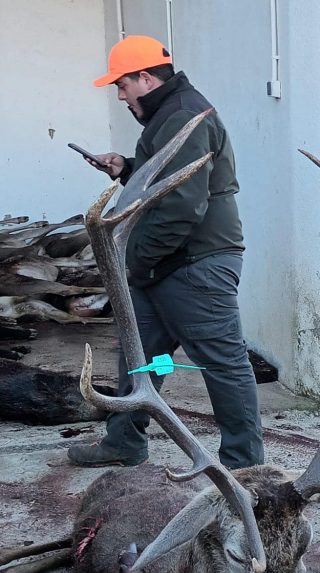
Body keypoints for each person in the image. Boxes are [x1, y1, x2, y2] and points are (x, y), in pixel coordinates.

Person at [68, 35, 264, 469]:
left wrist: (132, 265)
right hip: (165, 265)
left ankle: (245, 465)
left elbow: (181, 207)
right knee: (139, 359)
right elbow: (166, 182)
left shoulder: (183, 117)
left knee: (222, 363)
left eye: (122, 85)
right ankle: (124, 442)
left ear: (144, 77)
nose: (119, 95)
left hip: (195, 264)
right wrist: (126, 169)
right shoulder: (169, 117)